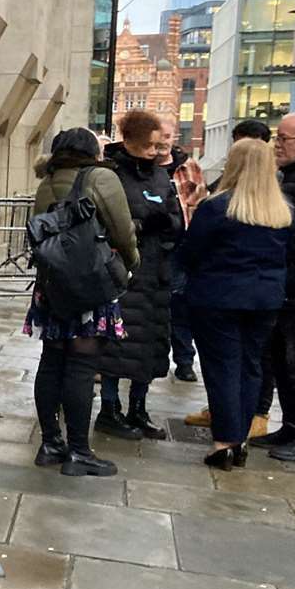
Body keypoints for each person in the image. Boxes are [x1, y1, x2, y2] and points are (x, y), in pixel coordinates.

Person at [24, 127, 138, 476]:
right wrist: (131, 264)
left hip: (53, 285)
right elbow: (122, 230)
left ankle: (50, 444)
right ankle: (78, 451)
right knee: (82, 366)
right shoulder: (101, 178)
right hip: (89, 285)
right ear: (93, 152)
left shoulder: (48, 180)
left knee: (51, 361)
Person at [182, 138, 292, 470]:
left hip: (218, 296)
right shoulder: (283, 211)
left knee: (223, 367)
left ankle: (225, 442)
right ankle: (240, 438)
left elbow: (190, 253)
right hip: (266, 299)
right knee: (251, 365)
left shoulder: (218, 207)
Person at [93, 110, 184, 440]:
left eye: (158, 146)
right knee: (116, 346)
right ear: (129, 140)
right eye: (148, 145)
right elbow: (105, 220)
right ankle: (109, 409)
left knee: (149, 347)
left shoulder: (160, 176)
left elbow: (175, 215)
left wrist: (169, 225)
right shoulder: (111, 173)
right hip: (123, 273)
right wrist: (142, 225)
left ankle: (138, 409)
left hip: (156, 274)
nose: (154, 151)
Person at [251, 110, 295, 461]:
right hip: (291, 291)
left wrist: (287, 282)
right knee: (285, 366)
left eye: (284, 139)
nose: (277, 145)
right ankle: (293, 426)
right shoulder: (292, 175)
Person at [157, 115, 199, 381]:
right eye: (158, 135)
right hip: (149, 247)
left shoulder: (188, 167)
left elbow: (198, 204)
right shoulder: (140, 166)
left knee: (180, 307)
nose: (163, 142)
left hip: (180, 248)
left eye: (168, 136)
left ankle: (184, 360)